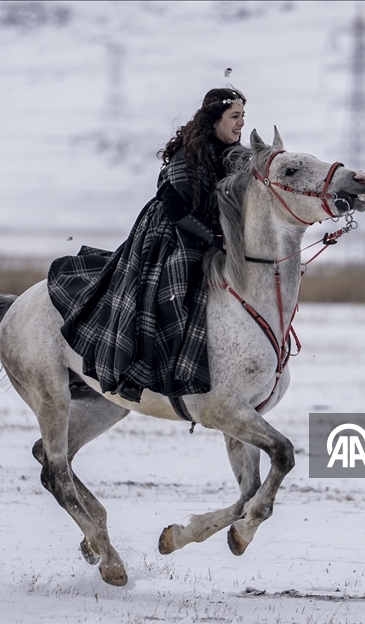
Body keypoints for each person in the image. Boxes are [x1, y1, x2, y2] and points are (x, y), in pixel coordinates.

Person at [47, 87, 248, 402]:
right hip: (170, 234)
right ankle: (155, 364)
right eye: (235, 116)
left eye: (243, 116)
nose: (241, 123)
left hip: (214, 233)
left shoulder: (235, 157)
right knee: (174, 286)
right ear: (214, 120)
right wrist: (213, 238)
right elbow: (176, 210)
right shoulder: (187, 156)